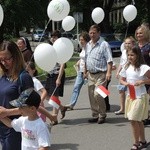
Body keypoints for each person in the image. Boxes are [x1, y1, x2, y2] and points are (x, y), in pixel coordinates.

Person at [0, 41, 55, 150]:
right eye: (1, 59)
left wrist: (7, 112)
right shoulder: (2, 75)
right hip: (4, 125)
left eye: (7, 59)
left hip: (17, 128)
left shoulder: (24, 77)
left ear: (15, 57)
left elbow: (30, 105)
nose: (4, 62)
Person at [119, 46, 150, 150]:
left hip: (140, 96)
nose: (130, 57)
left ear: (138, 55)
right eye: (128, 55)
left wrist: (142, 81)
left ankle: (136, 143)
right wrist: (126, 83)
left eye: (132, 55)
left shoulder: (143, 67)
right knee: (138, 120)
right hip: (130, 96)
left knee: (133, 119)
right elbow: (121, 80)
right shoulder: (126, 67)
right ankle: (143, 141)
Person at [85, 24, 113, 124]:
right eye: (90, 33)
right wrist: (85, 71)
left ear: (99, 33)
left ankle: (102, 114)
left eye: (94, 33)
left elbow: (109, 60)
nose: (92, 35)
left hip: (102, 74)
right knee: (91, 95)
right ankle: (95, 115)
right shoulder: (88, 44)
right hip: (91, 75)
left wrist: (109, 72)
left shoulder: (104, 44)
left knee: (98, 94)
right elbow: (86, 58)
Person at [45, 30, 67, 125]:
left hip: (57, 74)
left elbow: (62, 64)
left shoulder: (61, 49)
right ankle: (62, 108)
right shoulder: (50, 48)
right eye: (52, 36)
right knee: (46, 95)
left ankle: (54, 118)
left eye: (55, 37)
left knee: (54, 96)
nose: (53, 38)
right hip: (49, 74)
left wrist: (59, 78)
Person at [64, 32, 90, 110]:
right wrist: (79, 61)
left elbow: (88, 60)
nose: (80, 41)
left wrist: (86, 72)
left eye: (82, 40)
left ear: (86, 40)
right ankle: (71, 104)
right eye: (80, 40)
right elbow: (83, 58)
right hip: (80, 71)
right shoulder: (83, 48)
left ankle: (105, 100)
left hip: (88, 72)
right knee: (76, 87)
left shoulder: (89, 48)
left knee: (98, 88)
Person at [115, 36, 136, 115]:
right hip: (123, 73)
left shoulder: (135, 51)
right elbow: (121, 63)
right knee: (121, 90)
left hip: (131, 73)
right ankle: (122, 108)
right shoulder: (124, 52)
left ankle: (132, 109)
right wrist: (118, 71)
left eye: (129, 43)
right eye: (126, 43)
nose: (127, 45)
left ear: (133, 44)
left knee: (132, 91)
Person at [135, 25, 150, 125]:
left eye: (141, 33)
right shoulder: (135, 46)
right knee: (140, 97)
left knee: (148, 97)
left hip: (148, 74)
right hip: (137, 75)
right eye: (137, 33)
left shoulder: (148, 46)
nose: (139, 34)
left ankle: (147, 116)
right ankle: (143, 116)